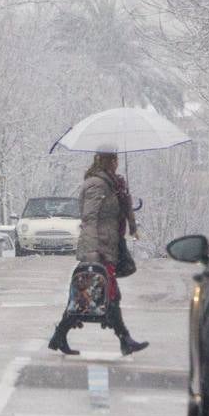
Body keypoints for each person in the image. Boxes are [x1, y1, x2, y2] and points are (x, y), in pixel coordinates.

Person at [48, 150, 149, 356]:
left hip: (108, 245)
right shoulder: (97, 184)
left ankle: (59, 336)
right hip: (99, 247)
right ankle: (124, 339)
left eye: (117, 159)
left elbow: (117, 211)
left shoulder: (113, 184)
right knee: (105, 293)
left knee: (92, 293)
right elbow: (90, 218)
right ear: (105, 161)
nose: (116, 163)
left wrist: (127, 209)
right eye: (113, 160)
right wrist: (92, 250)